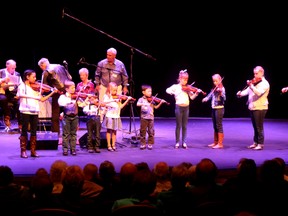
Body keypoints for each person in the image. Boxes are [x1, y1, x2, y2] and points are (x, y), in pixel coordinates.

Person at [17, 69, 57, 158]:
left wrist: (52, 92)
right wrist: (34, 97)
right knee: (24, 131)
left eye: (35, 77)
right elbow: (20, 95)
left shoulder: (36, 88)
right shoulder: (22, 86)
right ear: (27, 77)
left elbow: (42, 99)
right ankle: (23, 151)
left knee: (34, 131)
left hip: (35, 111)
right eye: (33, 77)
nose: (35, 79)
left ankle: (33, 151)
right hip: (25, 110)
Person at [166, 69, 202, 149]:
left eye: (186, 80)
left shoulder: (188, 88)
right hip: (178, 107)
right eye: (184, 79)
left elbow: (192, 98)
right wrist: (172, 92)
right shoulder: (175, 87)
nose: (185, 81)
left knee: (185, 126)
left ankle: (184, 142)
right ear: (180, 78)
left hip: (186, 108)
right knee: (178, 125)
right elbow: (167, 90)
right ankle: (177, 142)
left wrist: (196, 93)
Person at [236, 66, 270, 150]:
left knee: (259, 126)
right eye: (254, 73)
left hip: (260, 107)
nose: (254, 75)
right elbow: (248, 91)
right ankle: (255, 142)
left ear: (262, 73)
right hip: (252, 106)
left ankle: (260, 144)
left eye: (256, 73)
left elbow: (259, 93)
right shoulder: (254, 82)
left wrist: (251, 86)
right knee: (255, 126)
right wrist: (240, 94)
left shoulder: (265, 83)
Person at [38, 57, 72, 134]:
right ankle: (69, 131)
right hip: (67, 89)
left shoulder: (46, 72)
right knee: (69, 111)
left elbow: (44, 87)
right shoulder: (60, 66)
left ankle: (56, 132)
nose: (41, 69)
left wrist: (40, 93)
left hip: (57, 92)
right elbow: (70, 77)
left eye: (41, 67)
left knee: (55, 113)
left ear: (43, 64)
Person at [103, 82, 132, 151]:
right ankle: (109, 145)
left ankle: (113, 144)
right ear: (109, 89)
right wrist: (113, 100)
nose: (115, 92)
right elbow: (104, 103)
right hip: (109, 116)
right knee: (109, 130)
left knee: (114, 131)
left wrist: (127, 100)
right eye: (113, 90)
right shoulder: (107, 96)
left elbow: (120, 107)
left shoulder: (118, 97)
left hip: (116, 116)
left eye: (116, 90)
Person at [58, 80, 85, 156]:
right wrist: (70, 100)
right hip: (66, 117)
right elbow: (61, 103)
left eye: (74, 87)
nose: (74, 89)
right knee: (66, 134)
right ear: (67, 89)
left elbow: (81, 104)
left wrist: (86, 100)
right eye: (72, 88)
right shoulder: (63, 97)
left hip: (75, 117)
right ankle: (65, 149)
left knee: (74, 133)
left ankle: (73, 149)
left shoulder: (76, 97)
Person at [136, 84, 165, 150]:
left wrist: (160, 103)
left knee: (151, 131)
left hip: (151, 118)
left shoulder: (152, 99)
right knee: (142, 131)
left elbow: (156, 107)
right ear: (143, 92)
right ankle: (143, 143)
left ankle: (150, 143)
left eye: (151, 91)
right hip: (144, 118)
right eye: (148, 91)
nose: (150, 93)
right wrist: (144, 103)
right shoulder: (141, 99)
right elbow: (137, 104)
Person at [202, 73, 226, 149]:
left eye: (216, 81)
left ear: (220, 80)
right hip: (213, 107)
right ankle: (215, 142)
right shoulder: (214, 88)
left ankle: (220, 143)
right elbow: (210, 95)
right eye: (214, 81)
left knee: (219, 125)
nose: (215, 83)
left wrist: (221, 93)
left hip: (219, 108)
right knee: (215, 125)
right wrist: (206, 98)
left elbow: (224, 98)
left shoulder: (222, 88)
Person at [0, 59, 22, 132]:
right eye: (12, 68)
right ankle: (7, 118)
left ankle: (20, 124)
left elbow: (21, 85)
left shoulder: (17, 74)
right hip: (4, 93)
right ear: (7, 66)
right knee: (3, 99)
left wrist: (18, 94)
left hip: (14, 94)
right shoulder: (1, 72)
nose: (14, 69)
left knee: (20, 103)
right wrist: (3, 80)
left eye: (15, 68)